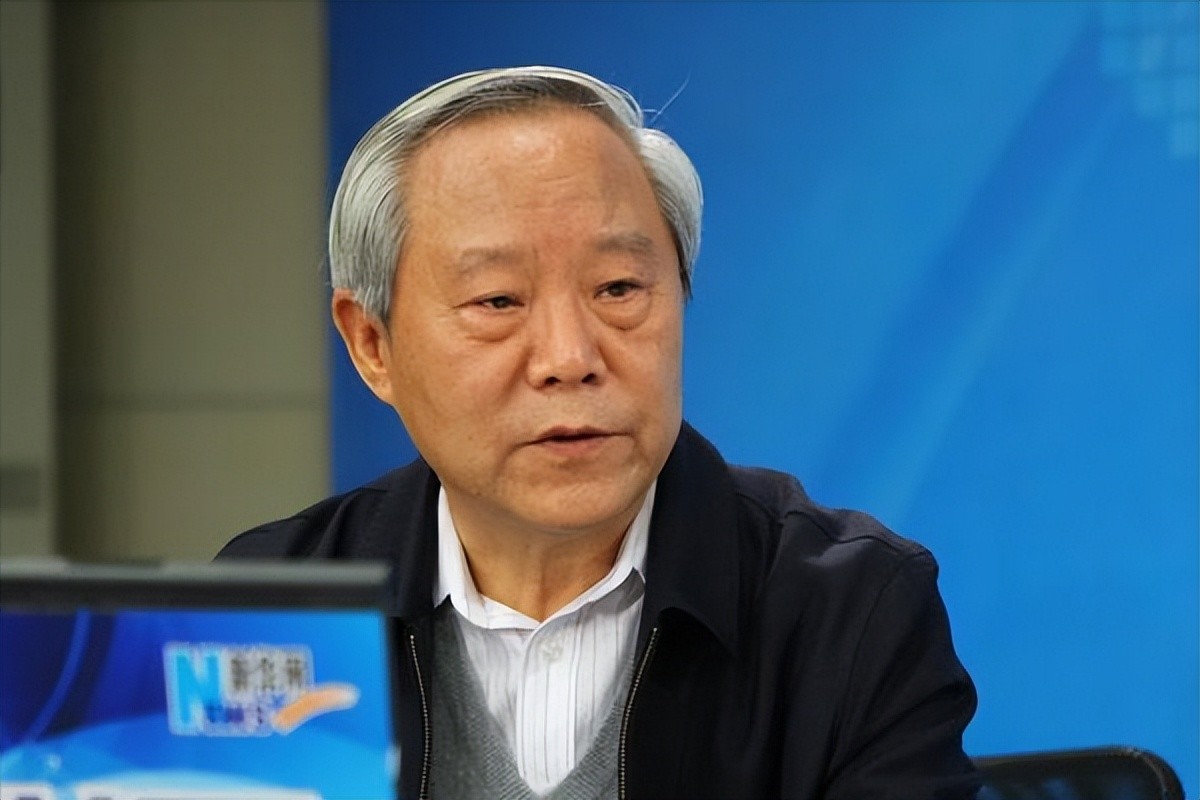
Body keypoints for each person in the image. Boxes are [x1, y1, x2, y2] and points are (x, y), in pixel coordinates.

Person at [219, 66, 979, 800]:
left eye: (618, 288)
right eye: (498, 300)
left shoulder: (848, 611)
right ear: (372, 345)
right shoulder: (271, 613)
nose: (569, 358)